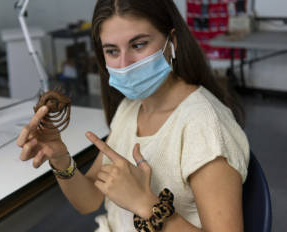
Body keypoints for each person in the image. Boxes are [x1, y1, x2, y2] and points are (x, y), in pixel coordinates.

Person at [16, 0, 250, 231]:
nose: (124, 64)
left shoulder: (204, 125)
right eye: (112, 50)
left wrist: (145, 204)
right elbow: (89, 201)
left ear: (173, 41)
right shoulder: (130, 108)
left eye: (138, 45)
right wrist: (59, 158)